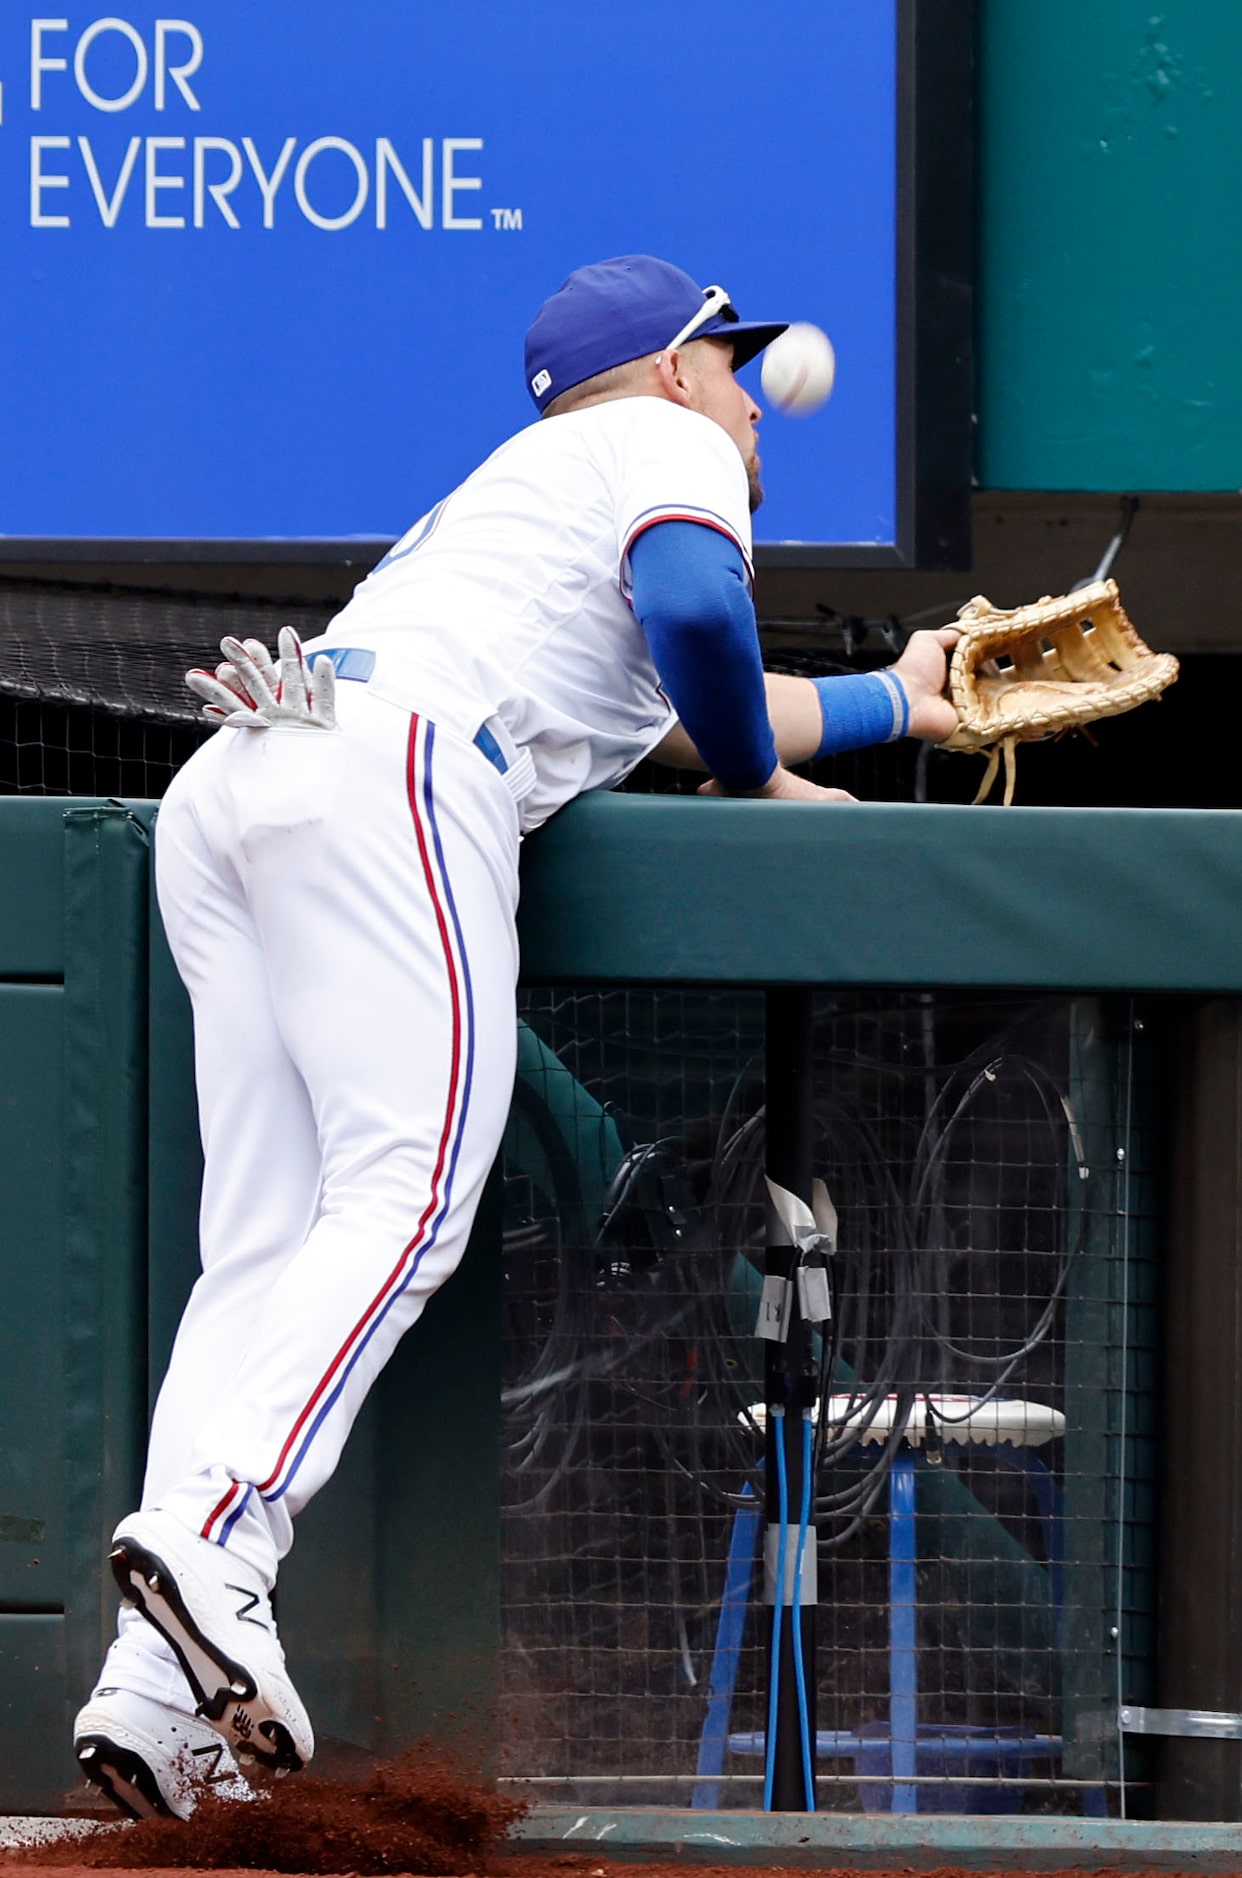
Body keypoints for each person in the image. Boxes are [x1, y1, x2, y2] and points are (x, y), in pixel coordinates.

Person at [72, 255, 960, 1819]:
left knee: (265, 1240)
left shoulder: (524, 505)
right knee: (409, 1194)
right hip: (396, 777)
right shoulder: (665, 445)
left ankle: (149, 1692)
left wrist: (897, 698)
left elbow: (693, 704)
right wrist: (759, 772)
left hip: (246, 775)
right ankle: (216, 1538)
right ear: (674, 368)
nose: (751, 396)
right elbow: (699, 612)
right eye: (729, 364)